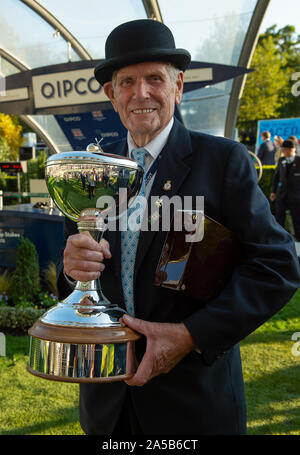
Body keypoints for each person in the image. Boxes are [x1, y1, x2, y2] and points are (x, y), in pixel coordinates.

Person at [56, 19, 300, 435]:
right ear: (111, 94)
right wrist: (71, 270)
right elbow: (80, 282)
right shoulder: (91, 169)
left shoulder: (222, 163)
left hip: (193, 404)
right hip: (107, 404)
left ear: (178, 86)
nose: (141, 93)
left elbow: (277, 266)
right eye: (127, 81)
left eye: (155, 78)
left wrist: (190, 335)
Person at [270, 139, 300, 241]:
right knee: (279, 218)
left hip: (296, 196)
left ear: (292, 149)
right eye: (283, 149)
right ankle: (279, 239)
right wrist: (273, 191)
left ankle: (298, 238)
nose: (283, 151)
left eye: (285, 149)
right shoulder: (281, 160)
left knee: (297, 218)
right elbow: (276, 177)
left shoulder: (299, 161)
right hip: (281, 194)